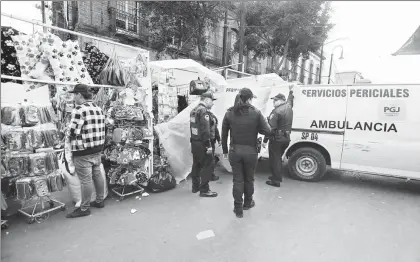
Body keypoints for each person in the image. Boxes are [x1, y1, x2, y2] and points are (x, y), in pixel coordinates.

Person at [221, 88, 272, 218]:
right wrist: (258, 129)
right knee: (249, 179)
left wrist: (225, 151)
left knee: (238, 180)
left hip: (235, 151)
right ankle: (248, 203)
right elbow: (268, 131)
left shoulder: (230, 113)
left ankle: (238, 209)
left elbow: (224, 133)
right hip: (250, 152)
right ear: (249, 99)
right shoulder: (256, 113)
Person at [66, 84, 106, 218]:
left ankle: (84, 208)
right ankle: (100, 200)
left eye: (74, 94)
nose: (73, 97)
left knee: (86, 180)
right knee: (97, 174)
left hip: (83, 150)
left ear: (79, 95)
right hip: (97, 148)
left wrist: (65, 132)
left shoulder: (79, 110)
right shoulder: (98, 108)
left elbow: (73, 131)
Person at [263, 87, 294, 188]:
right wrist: (290, 91)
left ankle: (276, 180)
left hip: (277, 139)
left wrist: (265, 140)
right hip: (286, 138)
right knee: (278, 158)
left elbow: (270, 128)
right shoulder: (288, 106)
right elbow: (290, 100)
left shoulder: (276, 112)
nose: (273, 102)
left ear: (281, 101)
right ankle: (276, 176)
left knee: (275, 159)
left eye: (275, 100)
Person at [190, 92, 218, 197]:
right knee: (208, 165)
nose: (213, 104)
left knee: (196, 164)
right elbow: (205, 131)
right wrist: (208, 146)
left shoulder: (194, 110)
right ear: (206, 100)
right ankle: (204, 190)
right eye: (212, 101)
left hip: (194, 142)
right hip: (202, 143)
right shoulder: (203, 111)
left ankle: (195, 186)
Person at [208, 110, 221, 181]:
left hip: (209, 141)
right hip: (209, 142)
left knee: (210, 159)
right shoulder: (210, 118)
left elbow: (216, 130)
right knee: (210, 159)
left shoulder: (212, 118)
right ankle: (210, 175)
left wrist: (219, 139)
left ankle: (209, 174)